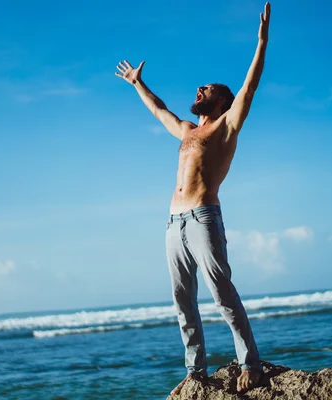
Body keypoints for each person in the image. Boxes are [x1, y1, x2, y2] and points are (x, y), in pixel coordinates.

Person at [115, 2, 271, 395]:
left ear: (221, 101)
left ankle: (249, 362)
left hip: (203, 217)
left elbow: (250, 85)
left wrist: (262, 41)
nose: (199, 90)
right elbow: (159, 111)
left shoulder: (225, 127)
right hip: (173, 223)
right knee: (182, 300)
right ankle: (195, 370)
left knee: (222, 292)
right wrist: (137, 83)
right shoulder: (186, 131)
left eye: (208, 89)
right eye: (200, 88)